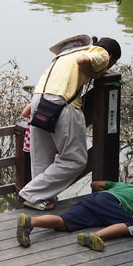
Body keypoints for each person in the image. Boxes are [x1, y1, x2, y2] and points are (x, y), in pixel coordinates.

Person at [17, 35, 121, 211]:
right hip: (62, 103)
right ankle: (31, 194)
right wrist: (97, 73)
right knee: (75, 159)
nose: (108, 67)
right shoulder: (100, 52)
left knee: (42, 156)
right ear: (111, 57)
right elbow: (83, 61)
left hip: (38, 101)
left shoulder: (65, 55)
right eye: (112, 64)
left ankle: (40, 198)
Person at [16, 180, 133, 252]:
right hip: (110, 201)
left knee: (63, 222)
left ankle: (31, 221)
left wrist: (101, 197)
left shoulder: (122, 185)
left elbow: (94, 184)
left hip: (93, 198)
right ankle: (95, 236)